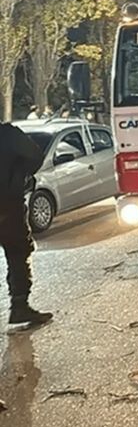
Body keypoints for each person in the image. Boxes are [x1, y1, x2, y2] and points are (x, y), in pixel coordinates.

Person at [0, 122, 53, 329]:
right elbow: (35, 156)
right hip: (6, 203)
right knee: (17, 251)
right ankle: (19, 305)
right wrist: (18, 176)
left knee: (17, 251)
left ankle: (20, 306)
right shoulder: (7, 134)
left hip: (7, 201)